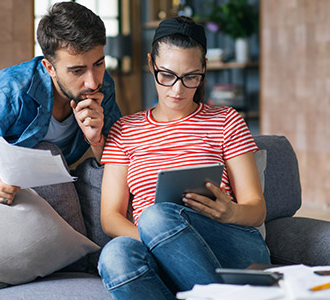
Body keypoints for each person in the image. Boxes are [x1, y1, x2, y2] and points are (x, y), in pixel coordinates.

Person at [97, 16, 270, 299]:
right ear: (151, 63)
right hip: (155, 244)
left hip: (229, 242)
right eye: (167, 75)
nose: (177, 90)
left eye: (191, 77)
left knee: (154, 217)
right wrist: (160, 244)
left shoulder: (226, 120)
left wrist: (232, 212)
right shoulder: (124, 130)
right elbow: (110, 217)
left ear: (203, 69)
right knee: (116, 254)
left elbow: (256, 208)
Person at [0, 2, 121, 205]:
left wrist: (96, 140)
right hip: (4, 189)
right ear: (49, 68)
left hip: (59, 182)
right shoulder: (11, 89)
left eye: (98, 64)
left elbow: (120, 158)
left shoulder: (102, 85)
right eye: (77, 71)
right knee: (46, 151)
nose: (93, 81)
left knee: (103, 175)